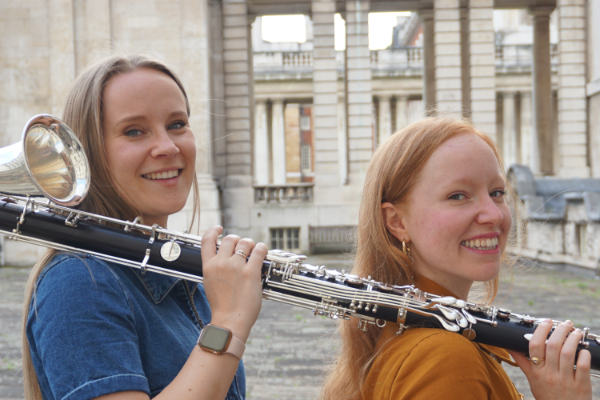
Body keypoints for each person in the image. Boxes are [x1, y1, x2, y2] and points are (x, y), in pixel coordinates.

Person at [21, 54, 268, 400]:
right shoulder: (78, 281)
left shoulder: (178, 272)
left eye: (177, 124)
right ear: (86, 154)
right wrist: (227, 322)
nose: (168, 146)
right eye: (134, 131)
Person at [320, 117, 592, 400]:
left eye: (496, 192)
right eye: (458, 196)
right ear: (397, 221)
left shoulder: (403, 328)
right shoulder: (444, 358)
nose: (494, 214)